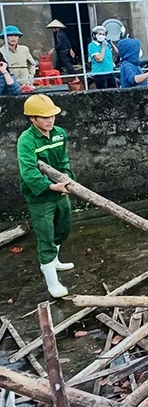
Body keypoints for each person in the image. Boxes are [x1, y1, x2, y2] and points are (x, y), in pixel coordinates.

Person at [17, 95, 75, 298]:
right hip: (40, 196)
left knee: (63, 226)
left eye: (52, 115)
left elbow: (64, 160)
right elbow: (29, 172)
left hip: (60, 189)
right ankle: (51, 280)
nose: (50, 120)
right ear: (32, 119)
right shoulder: (26, 140)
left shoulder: (59, 134)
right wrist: (51, 186)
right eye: (44, 117)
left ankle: (54, 261)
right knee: (45, 236)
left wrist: (67, 177)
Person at [87, 25, 118, 89]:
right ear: (94, 35)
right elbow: (99, 59)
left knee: (114, 91)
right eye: (100, 34)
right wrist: (103, 48)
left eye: (103, 34)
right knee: (103, 93)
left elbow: (116, 52)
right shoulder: (92, 45)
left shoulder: (106, 44)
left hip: (110, 71)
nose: (102, 36)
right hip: (100, 73)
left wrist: (111, 43)